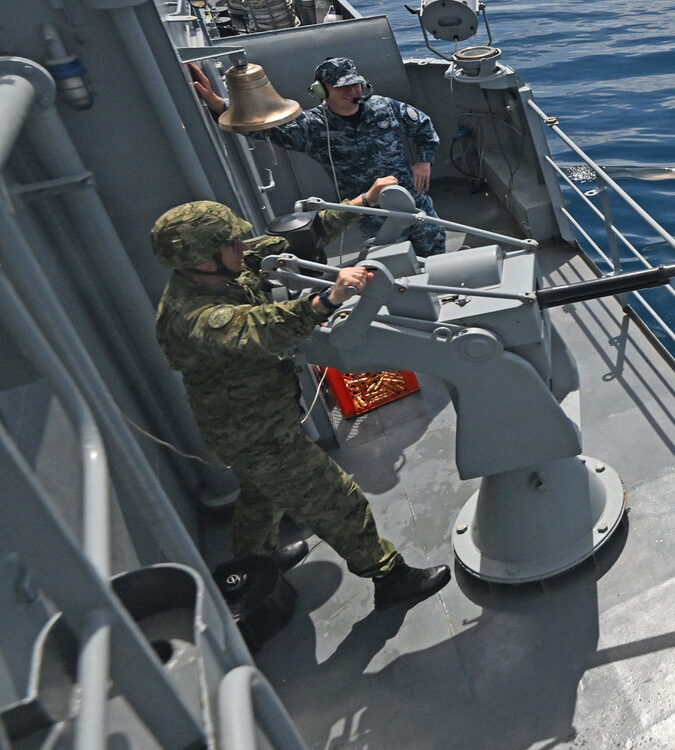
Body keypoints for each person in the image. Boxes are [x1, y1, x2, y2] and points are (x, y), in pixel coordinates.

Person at [151, 182, 451, 611]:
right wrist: (327, 300)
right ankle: (389, 576)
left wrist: (363, 201)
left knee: (262, 495)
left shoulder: (223, 266)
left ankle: (257, 559)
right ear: (203, 259)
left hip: (258, 422)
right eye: (231, 244)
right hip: (256, 433)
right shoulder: (193, 317)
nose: (242, 247)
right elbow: (260, 329)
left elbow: (298, 239)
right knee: (336, 499)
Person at [191, 56, 446, 257]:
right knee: (395, 259)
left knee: (436, 251)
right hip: (371, 212)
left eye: (354, 84)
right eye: (341, 86)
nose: (351, 90)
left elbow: (422, 125)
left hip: (414, 201)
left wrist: (423, 162)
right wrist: (220, 105)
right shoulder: (313, 126)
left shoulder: (384, 107)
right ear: (322, 91)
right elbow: (263, 127)